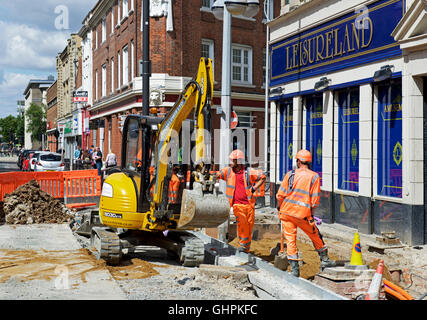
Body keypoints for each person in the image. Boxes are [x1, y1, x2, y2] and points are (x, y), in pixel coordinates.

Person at [276, 149, 336, 277]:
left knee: (291, 241)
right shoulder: (314, 176)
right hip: (303, 214)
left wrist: (279, 208)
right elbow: (314, 200)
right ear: (309, 162)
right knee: (315, 235)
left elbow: (280, 195)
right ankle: (325, 259)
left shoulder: (290, 174)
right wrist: (312, 215)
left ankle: (294, 270)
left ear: (298, 161)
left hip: (286, 213)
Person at [215, 150, 266, 253]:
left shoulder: (248, 172)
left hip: (249, 205)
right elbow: (216, 175)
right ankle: (242, 246)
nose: (230, 162)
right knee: (242, 225)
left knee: (248, 228)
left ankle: (245, 250)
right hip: (237, 205)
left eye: (232, 160)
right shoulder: (228, 171)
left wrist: (253, 189)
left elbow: (263, 177)